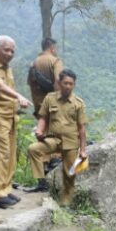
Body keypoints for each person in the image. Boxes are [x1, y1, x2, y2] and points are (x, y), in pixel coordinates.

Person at [0, 35, 32, 209]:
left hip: (10, 116)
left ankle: (6, 188)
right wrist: (19, 96)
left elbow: (8, 87)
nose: (10, 54)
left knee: (10, 155)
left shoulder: (7, 68)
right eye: (6, 50)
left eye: (12, 51)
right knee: (2, 155)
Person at [25, 69, 87, 206]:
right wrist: (39, 131)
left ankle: (65, 202)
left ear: (74, 84)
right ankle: (42, 181)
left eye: (71, 84)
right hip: (53, 139)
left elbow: (82, 129)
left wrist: (83, 150)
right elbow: (43, 118)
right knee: (33, 149)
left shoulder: (78, 103)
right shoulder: (50, 98)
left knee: (69, 174)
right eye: (65, 83)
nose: (68, 86)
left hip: (71, 143)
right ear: (59, 83)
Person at [28, 37, 63, 117]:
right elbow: (58, 81)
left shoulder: (34, 63)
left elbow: (31, 85)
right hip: (53, 107)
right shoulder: (55, 61)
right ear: (52, 47)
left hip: (39, 107)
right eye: (56, 47)